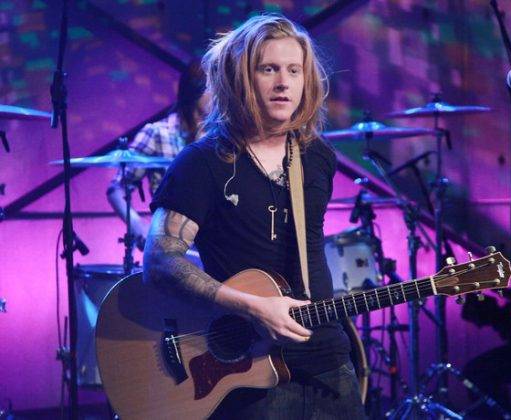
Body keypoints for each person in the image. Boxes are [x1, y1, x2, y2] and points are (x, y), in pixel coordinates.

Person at [143, 14, 366, 419]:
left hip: (329, 364)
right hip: (246, 369)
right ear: (240, 79)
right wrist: (253, 307)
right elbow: (159, 262)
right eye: (269, 69)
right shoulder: (203, 163)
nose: (284, 83)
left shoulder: (317, 157)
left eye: (294, 70)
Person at [106, 60, 208, 248]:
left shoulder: (221, 136)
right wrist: (137, 226)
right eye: (216, 88)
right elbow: (117, 189)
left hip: (214, 246)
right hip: (172, 244)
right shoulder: (158, 133)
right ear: (196, 90)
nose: (221, 96)